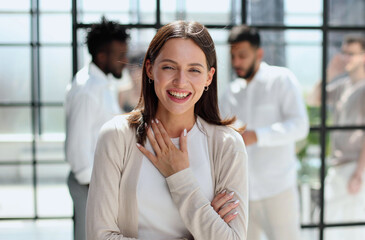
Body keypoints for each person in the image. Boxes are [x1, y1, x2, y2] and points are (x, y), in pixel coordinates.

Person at [86, 20, 249, 240]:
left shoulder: (227, 144)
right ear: (150, 69)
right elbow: (99, 236)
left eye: (194, 70)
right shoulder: (116, 136)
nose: (181, 82)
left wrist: (180, 176)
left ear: (209, 77)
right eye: (169, 67)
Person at [219, 25, 309, 240]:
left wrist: (258, 135)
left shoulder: (281, 80)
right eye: (233, 56)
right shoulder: (229, 93)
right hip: (242, 194)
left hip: (278, 189)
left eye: (242, 55)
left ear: (259, 53)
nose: (236, 62)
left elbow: (300, 125)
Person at [64, 17, 129, 240]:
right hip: (88, 185)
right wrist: (97, 186)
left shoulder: (103, 84)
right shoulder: (87, 90)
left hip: (99, 184)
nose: (125, 60)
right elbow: (77, 147)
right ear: (102, 56)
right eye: (120, 56)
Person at [308, 35, 365, 239]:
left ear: (364, 57)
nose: (346, 58)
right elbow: (314, 99)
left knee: (352, 227)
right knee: (324, 221)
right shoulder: (343, 85)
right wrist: (330, 74)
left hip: (355, 167)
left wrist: (359, 173)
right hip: (339, 165)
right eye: (344, 53)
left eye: (351, 54)